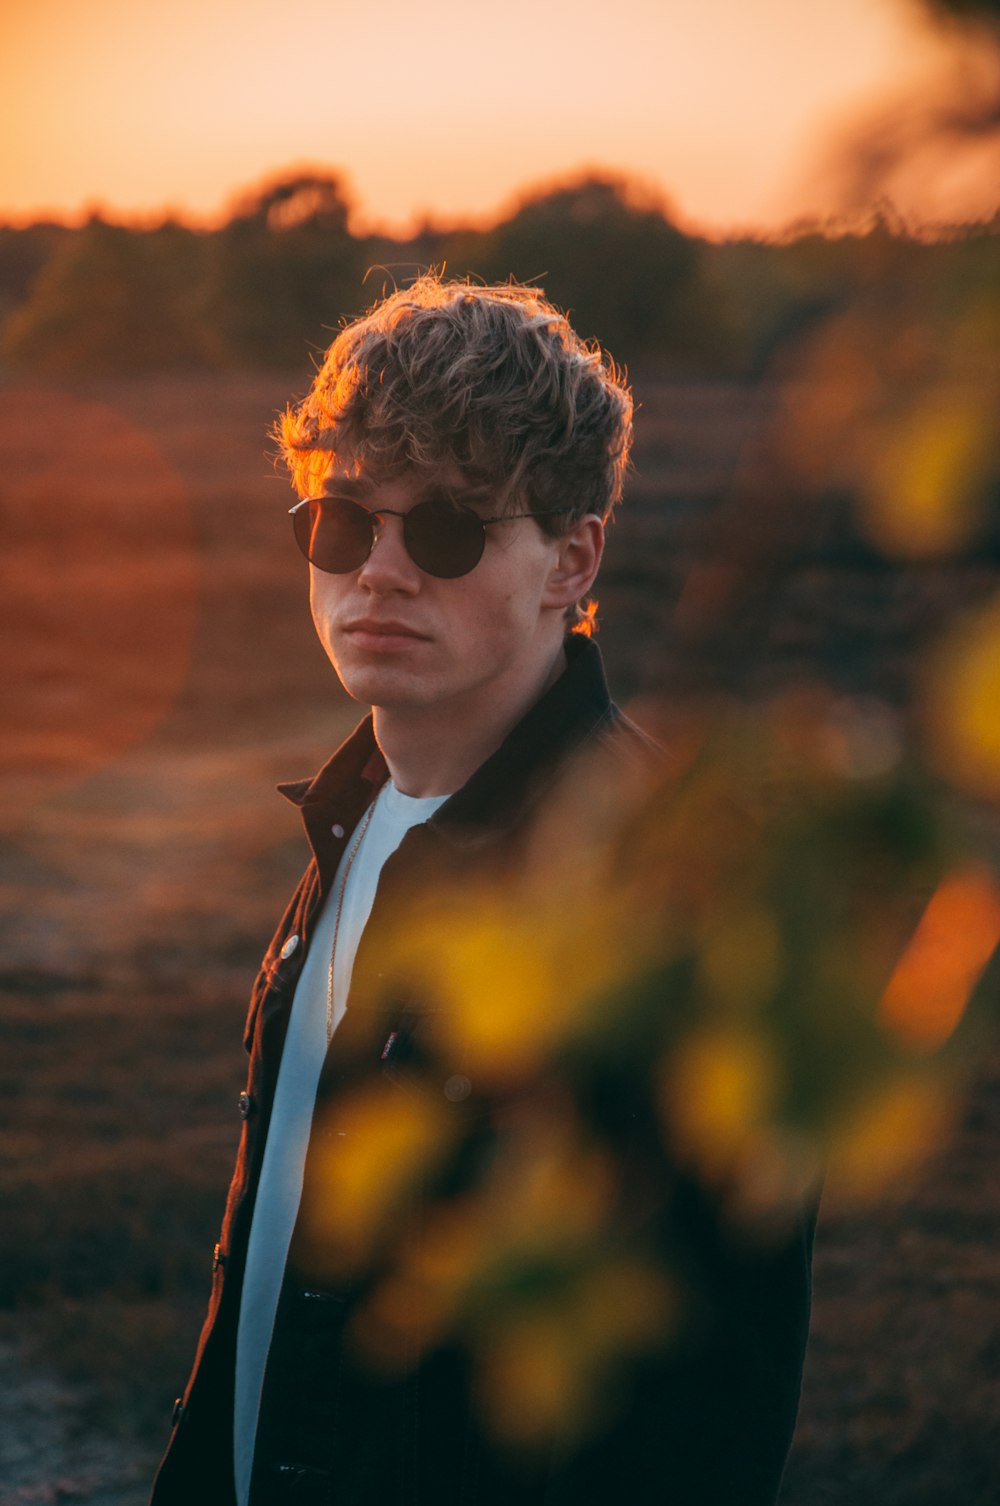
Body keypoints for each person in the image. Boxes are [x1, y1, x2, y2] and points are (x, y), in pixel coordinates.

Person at [150, 275, 813, 1506]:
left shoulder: (654, 895)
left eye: (448, 530)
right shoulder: (345, 826)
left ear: (573, 559)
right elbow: (267, 1277)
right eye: (343, 524)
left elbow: (711, 1402)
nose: (382, 573)